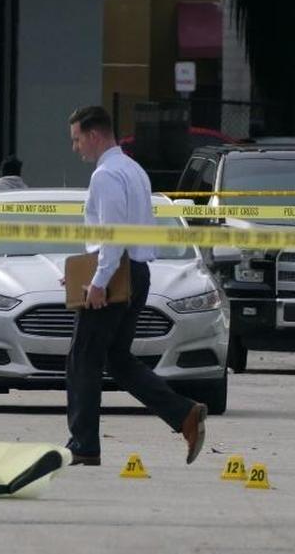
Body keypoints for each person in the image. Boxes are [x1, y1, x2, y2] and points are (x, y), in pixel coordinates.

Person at [64, 105, 207, 467]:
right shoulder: (134, 170)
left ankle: (83, 445)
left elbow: (112, 234)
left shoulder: (107, 175)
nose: (75, 148)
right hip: (136, 272)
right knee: (118, 359)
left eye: (77, 139)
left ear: (94, 135)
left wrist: (97, 282)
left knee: (83, 359)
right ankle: (184, 414)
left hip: (116, 274)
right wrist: (86, 272)